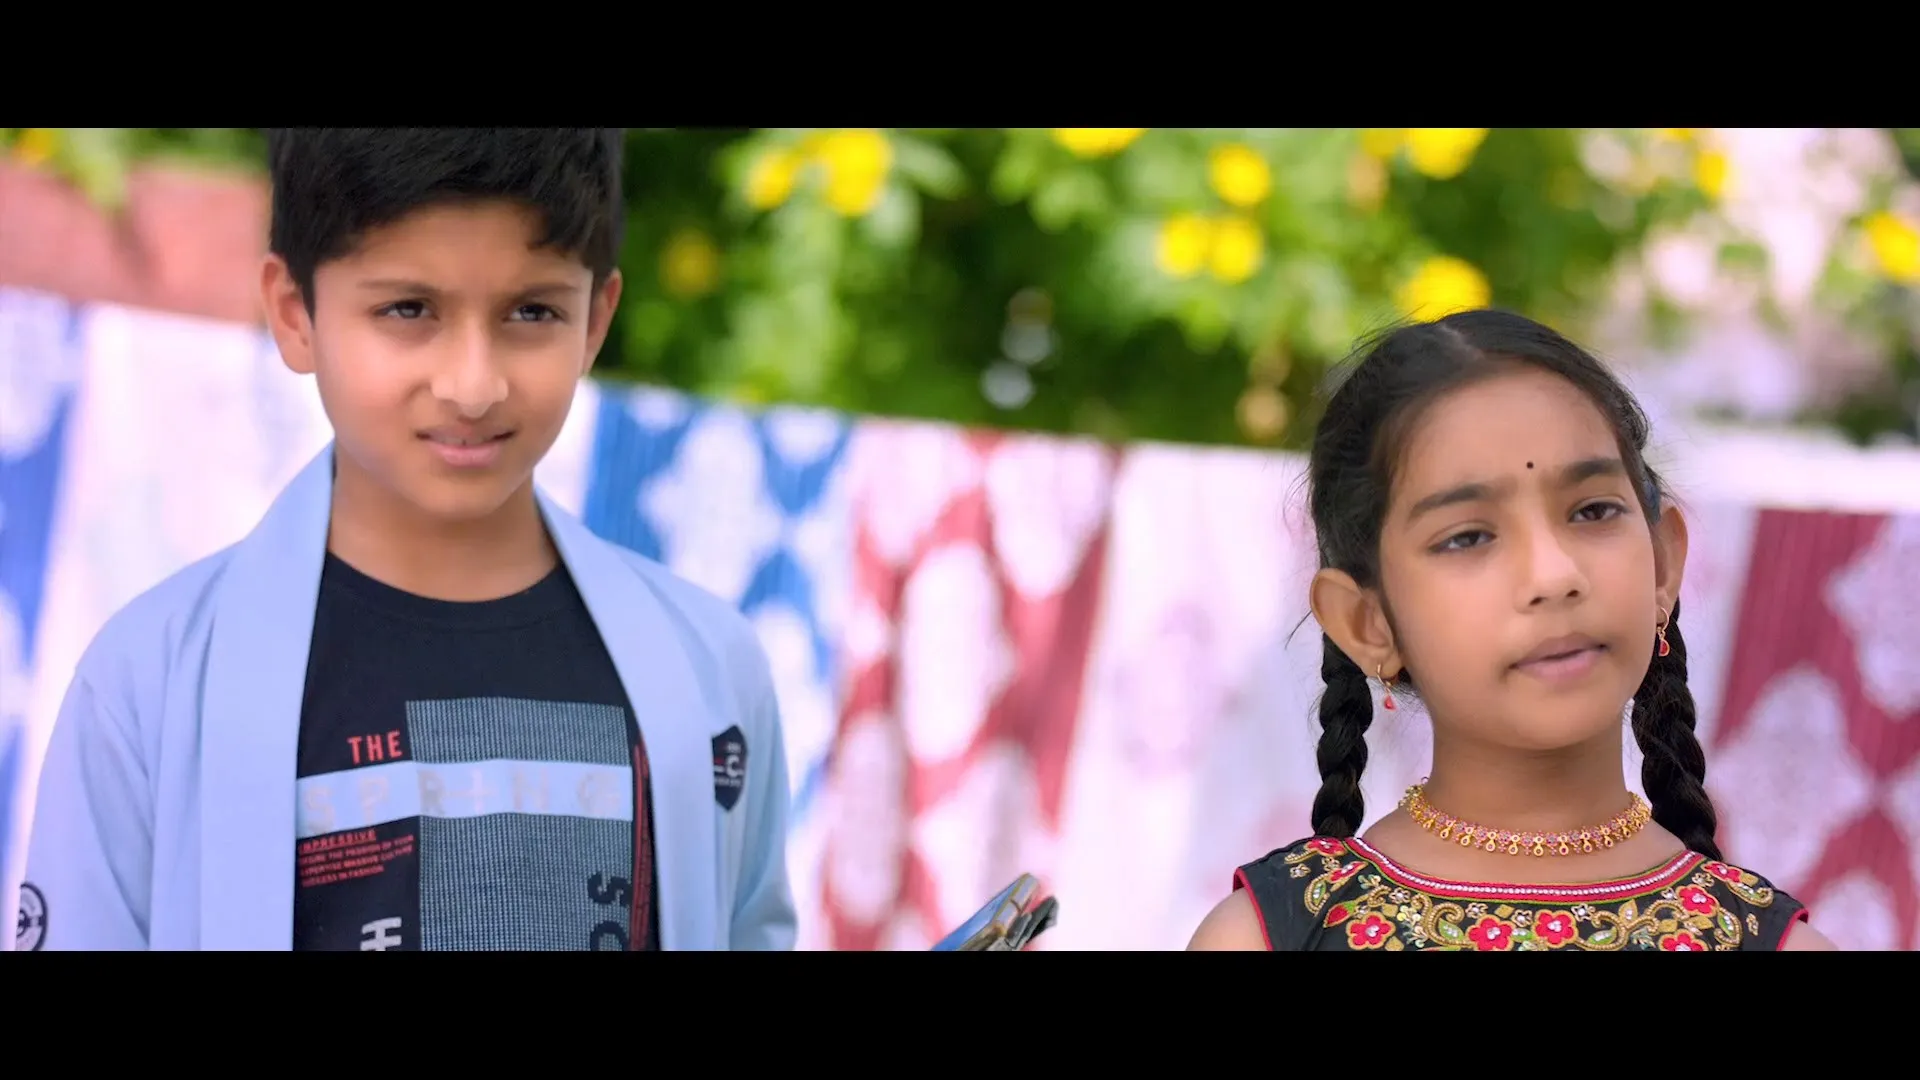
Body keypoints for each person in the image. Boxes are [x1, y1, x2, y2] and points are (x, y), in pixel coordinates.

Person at [14, 128, 795, 952]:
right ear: (295, 312)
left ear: (596, 319)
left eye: (532, 312)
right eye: (408, 310)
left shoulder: (711, 670)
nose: (472, 385)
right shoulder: (150, 684)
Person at [1187, 309, 1837, 952]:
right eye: (1468, 537)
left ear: (1662, 564)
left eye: (1592, 510)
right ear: (1368, 624)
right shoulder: (1260, 939)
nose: (1554, 575)